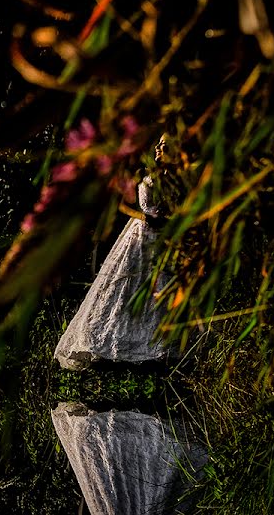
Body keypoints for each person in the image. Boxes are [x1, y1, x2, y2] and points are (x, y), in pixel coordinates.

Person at [53, 134, 174, 370]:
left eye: (165, 145)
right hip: (139, 233)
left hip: (164, 235)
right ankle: (109, 346)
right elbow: (121, 203)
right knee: (124, 287)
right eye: (158, 144)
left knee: (157, 289)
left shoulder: (179, 178)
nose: (159, 148)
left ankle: (156, 349)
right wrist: (144, 216)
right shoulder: (143, 172)